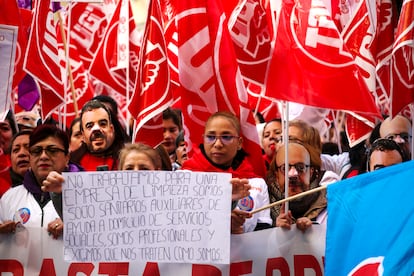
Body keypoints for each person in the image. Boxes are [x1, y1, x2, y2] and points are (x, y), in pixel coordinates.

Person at [181, 111, 272, 234]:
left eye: (226, 137)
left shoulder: (256, 183)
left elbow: (263, 231)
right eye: (211, 137)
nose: (218, 144)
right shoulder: (184, 178)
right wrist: (221, 219)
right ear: (203, 139)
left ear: (239, 143)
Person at [0, 124, 82, 239]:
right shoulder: (9, 198)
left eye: (52, 150)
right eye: (37, 151)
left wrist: (75, 223)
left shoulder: (85, 194)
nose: (43, 156)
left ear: (67, 157)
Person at [268, 141, 327, 232]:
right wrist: (277, 234)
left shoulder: (329, 203)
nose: (293, 175)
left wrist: (314, 231)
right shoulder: (265, 206)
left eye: (301, 168)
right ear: (277, 175)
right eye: (285, 168)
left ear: (310, 172)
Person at [70, 100, 126, 171]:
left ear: (111, 129)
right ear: (83, 135)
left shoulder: (128, 159)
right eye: (89, 126)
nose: (96, 130)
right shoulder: (71, 163)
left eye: (102, 124)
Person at [0, 130, 32, 196]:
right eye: (16, 150)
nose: (21, 153)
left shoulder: (54, 189)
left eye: (28, 148)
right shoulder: (4, 195)